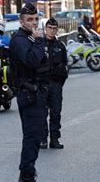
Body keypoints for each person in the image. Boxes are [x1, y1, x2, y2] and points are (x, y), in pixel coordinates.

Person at [10, 3, 47, 182]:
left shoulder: (30, 37)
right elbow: (32, 61)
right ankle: (26, 175)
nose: (33, 23)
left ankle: (28, 172)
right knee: (32, 136)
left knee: (36, 134)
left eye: (36, 19)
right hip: (28, 93)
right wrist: (39, 41)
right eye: (29, 20)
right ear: (22, 21)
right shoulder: (20, 39)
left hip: (37, 92)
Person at [39, 18, 68, 150]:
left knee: (56, 112)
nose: (52, 30)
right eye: (50, 28)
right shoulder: (38, 44)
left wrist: (59, 83)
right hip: (42, 83)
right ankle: (43, 139)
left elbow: (65, 66)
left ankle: (55, 139)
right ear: (45, 29)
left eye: (54, 28)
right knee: (42, 113)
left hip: (56, 83)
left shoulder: (60, 46)